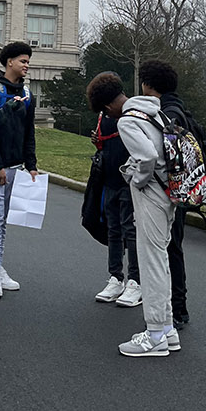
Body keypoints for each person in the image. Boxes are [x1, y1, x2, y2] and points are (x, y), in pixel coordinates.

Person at [88, 71, 181, 358]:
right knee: (160, 259)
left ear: (106, 108)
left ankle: (154, 334)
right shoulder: (151, 109)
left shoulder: (127, 120)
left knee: (150, 261)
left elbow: (147, 157)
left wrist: (135, 179)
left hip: (152, 193)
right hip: (170, 191)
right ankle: (166, 328)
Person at [140, 59, 206, 327]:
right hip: (187, 187)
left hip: (171, 192)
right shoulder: (182, 111)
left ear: (147, 85)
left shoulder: (166, 116)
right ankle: (177, 308)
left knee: (169, 249)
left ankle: (176, 310)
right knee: (173, 248)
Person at [0, 42, 40, 297]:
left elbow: (28, 132)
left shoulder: (27, 94)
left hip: (15, 166)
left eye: (28, 61)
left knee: (3, 219)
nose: (27, 65)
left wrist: (32, 165)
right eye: (23, 61)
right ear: (9, 62)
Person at [92, 102, 141, 306]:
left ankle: (136, 282)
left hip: (128, 182)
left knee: (130, 232)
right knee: (113, 230)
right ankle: (116, 278)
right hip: (109, 179)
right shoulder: (105, 116)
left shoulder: (131, 115)